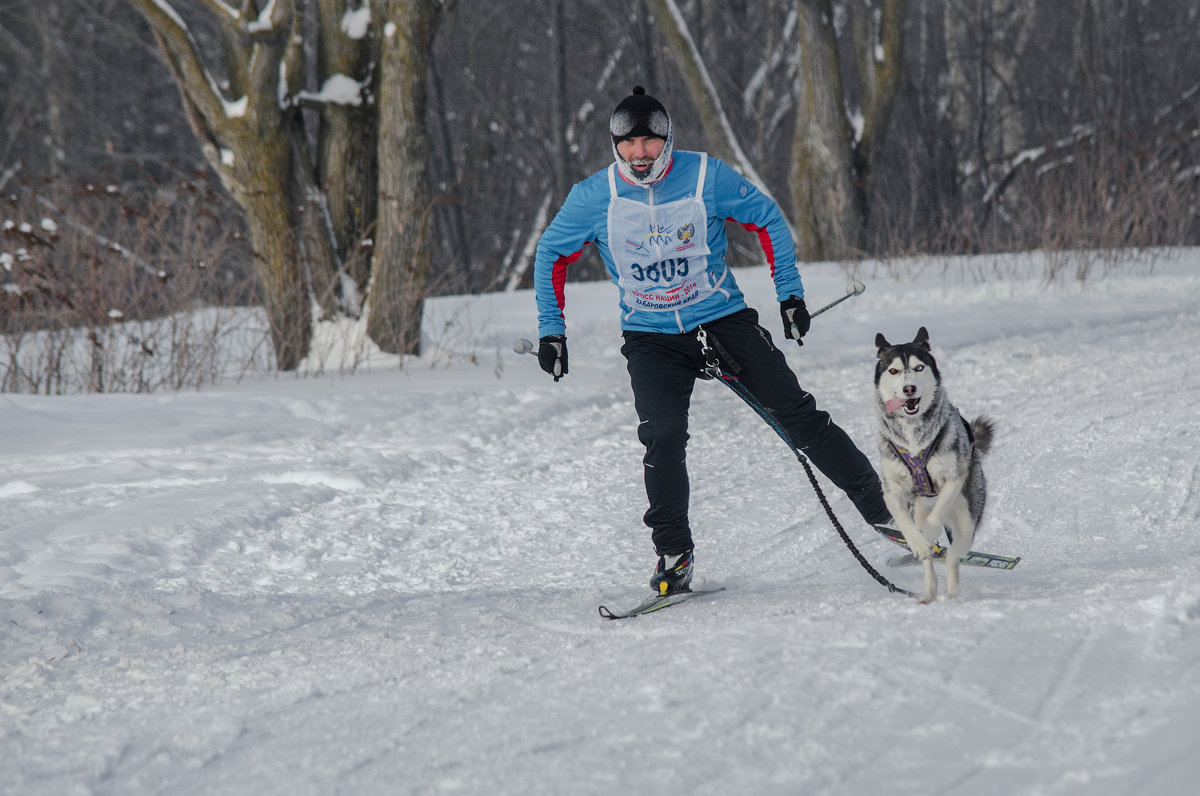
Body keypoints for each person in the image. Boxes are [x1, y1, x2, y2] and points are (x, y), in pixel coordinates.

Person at [532, 86, 892, 594]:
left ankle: (886, 512)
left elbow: (767, 218)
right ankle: (674, 554)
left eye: (649, 143)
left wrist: (789, 295)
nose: (639, 155)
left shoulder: (706, 176)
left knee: (797, 415)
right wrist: (552, 331)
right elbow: (550, 254)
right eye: (628, 145)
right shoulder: (594, 197)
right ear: (614, 146)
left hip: (720, 322)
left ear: (668, 139)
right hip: (651, 337)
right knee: (662, 437)